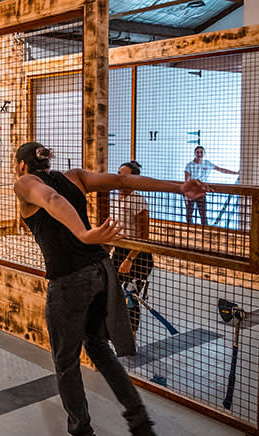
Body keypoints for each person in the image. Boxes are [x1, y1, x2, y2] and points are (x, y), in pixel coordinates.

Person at [13, 142, 206, 436]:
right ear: (47, 163)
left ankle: (82, 431)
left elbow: (50, 199)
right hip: (100, 270)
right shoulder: (75, 176)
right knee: (98, 346)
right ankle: (139, 421)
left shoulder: (25, 183)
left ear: (22, 166)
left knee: (66, 363)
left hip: (69, 280)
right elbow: (123, 180)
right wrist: (179, 187)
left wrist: (84, 233)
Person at [111, 161, 154, 334]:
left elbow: (144, 236)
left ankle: (132, 336)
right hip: (120, 250)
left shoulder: (138, 201)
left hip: (138, 255)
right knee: (116, 294)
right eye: (119, 173)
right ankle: (119, 332)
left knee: (131, 298)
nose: (120, 178)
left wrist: (130, 258)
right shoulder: (116, 198)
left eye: (125, 175)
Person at [184, 145, 238, 225]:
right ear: (194, 153)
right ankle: (189, 230)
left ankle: (205, 231)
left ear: (204, 154)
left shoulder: (207, 164)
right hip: (191, 191)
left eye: (201, 152)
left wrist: (235, 173)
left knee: (203, 215)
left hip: (201, 192)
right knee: (189, 214)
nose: (199, 154)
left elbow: (221, 169)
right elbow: (187, 180)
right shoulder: (189, 165)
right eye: (197, 152)